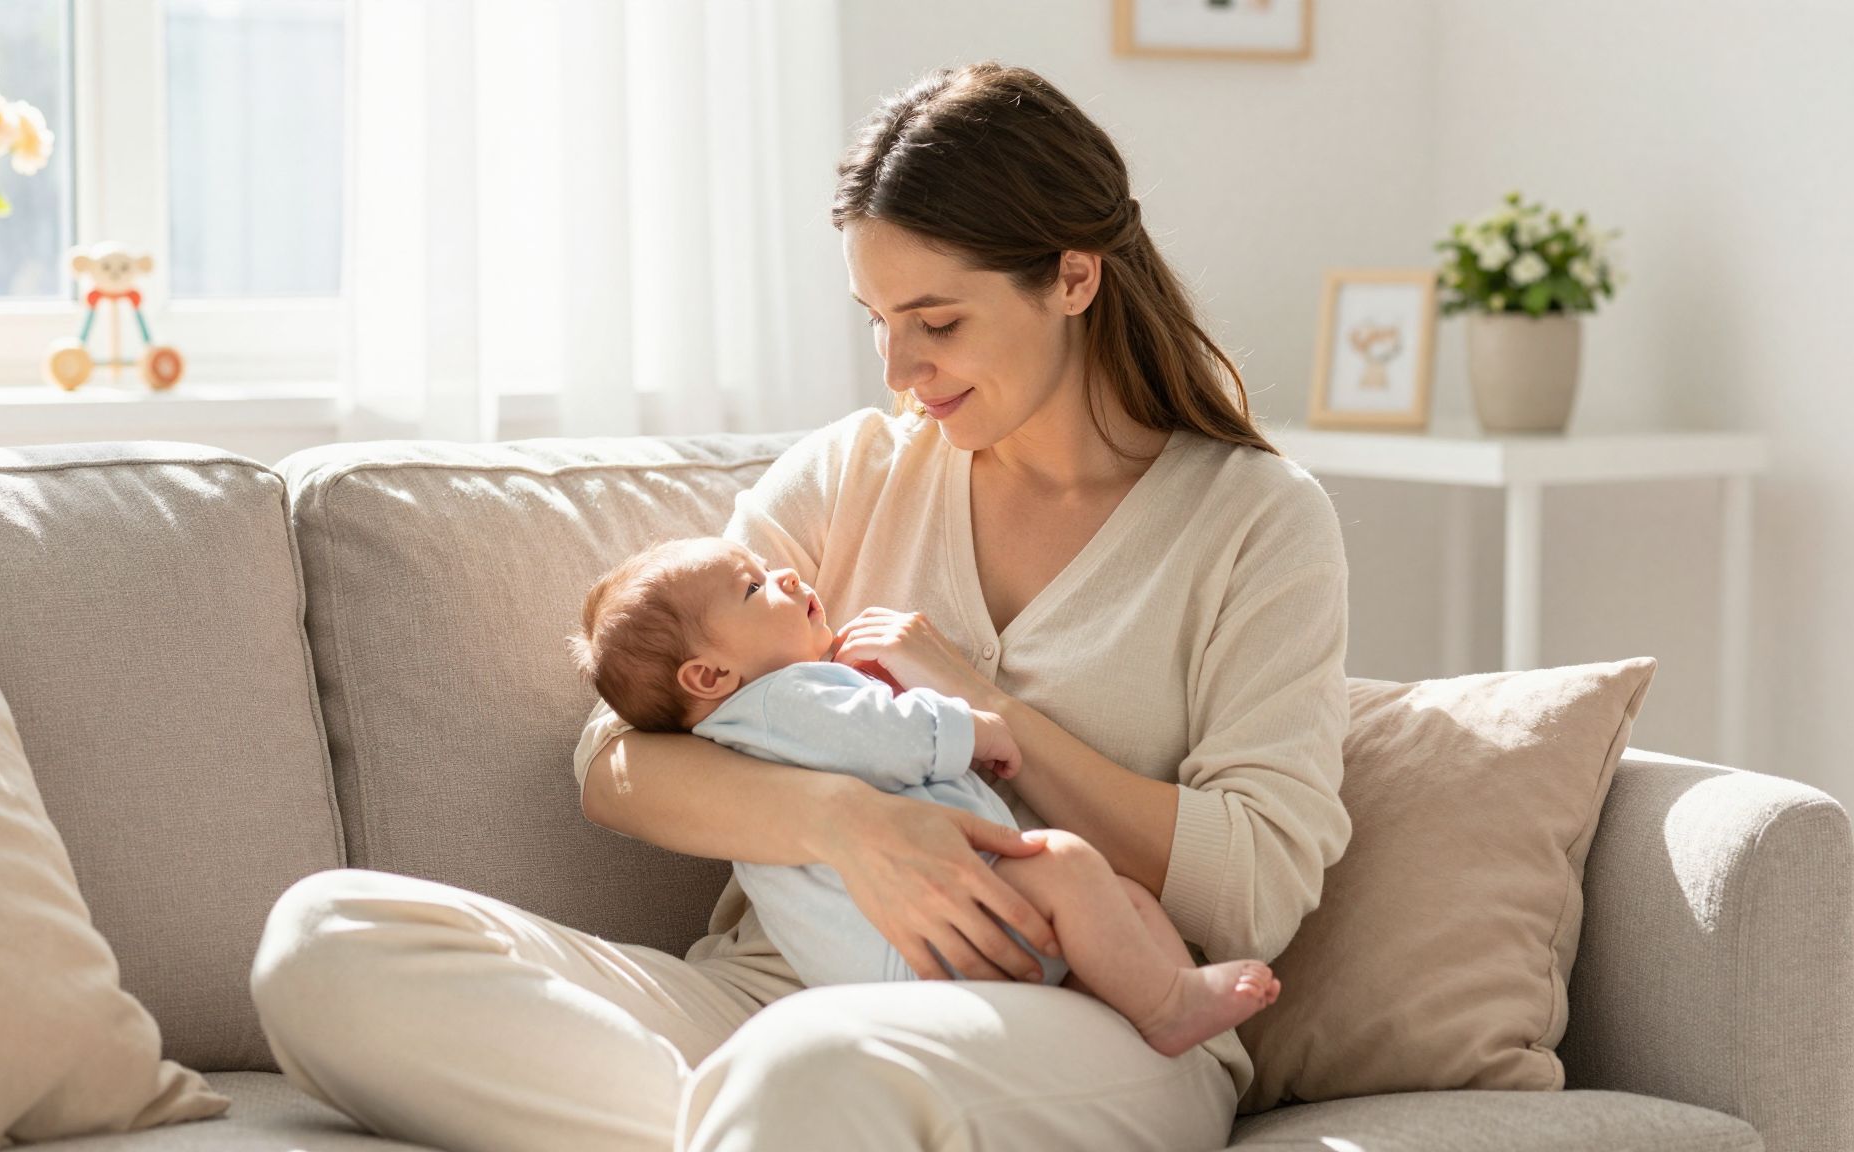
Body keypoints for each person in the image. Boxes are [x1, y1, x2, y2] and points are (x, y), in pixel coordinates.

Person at [249, 60, 1350, 1151]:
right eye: (876, 319)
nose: (897, 369)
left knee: (813, 1071)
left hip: (1083, 1020)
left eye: (936, 322)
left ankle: (778, 1122)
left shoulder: (1253, 522)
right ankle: (759, 1132)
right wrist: (853, 825)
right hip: (775, 994)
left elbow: (1253, 884)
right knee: (325, 942)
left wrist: (984, 710)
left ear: (1072, 277)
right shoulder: (851, 474)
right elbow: (617, 763)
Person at [567, 535, 1285, 1056]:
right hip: (925, 936)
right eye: (754, 588)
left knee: (1119, 899)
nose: (784, 574)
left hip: (881, 964)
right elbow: (885, 735)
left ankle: (1155, 1001)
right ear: (708, 677)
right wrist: (972, 726)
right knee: (1068, 863)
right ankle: (1164, 1005)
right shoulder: (786, 699)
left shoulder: (741, 726)